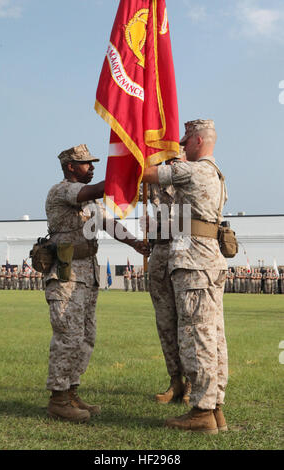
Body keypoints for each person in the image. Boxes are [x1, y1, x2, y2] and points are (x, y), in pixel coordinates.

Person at [44, 144, 149, 424]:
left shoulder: (90, 202)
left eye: (92, 163)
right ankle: (58, 398)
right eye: (86, 164)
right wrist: (123, 175)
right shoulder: (63, 190)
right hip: (65, 276)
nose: (91, 167)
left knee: (86, 336)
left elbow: (110, 224)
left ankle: (72, 391)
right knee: (68, 335)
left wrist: (136, 243)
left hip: (86, 276)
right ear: (70, 167)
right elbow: (95, 190)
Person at [142, 119, 229, 434]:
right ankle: (214, 408)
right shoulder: (215, 173)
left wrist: (132, 154)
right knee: (213, 336)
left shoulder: (194, 170)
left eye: (184, 141)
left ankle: (202, 412)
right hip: (207, 261)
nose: (180, 146)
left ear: (196, 141)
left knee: (197, 336)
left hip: (194, 263)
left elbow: (148, 173)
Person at [140, 161, 191, 406]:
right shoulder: (152, 182)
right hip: (160, 253)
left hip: (186, 252)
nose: (171, 160)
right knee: (165, 322)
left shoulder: (192, 177)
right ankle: (175, 380)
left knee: (188, 320)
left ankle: (193, 381)